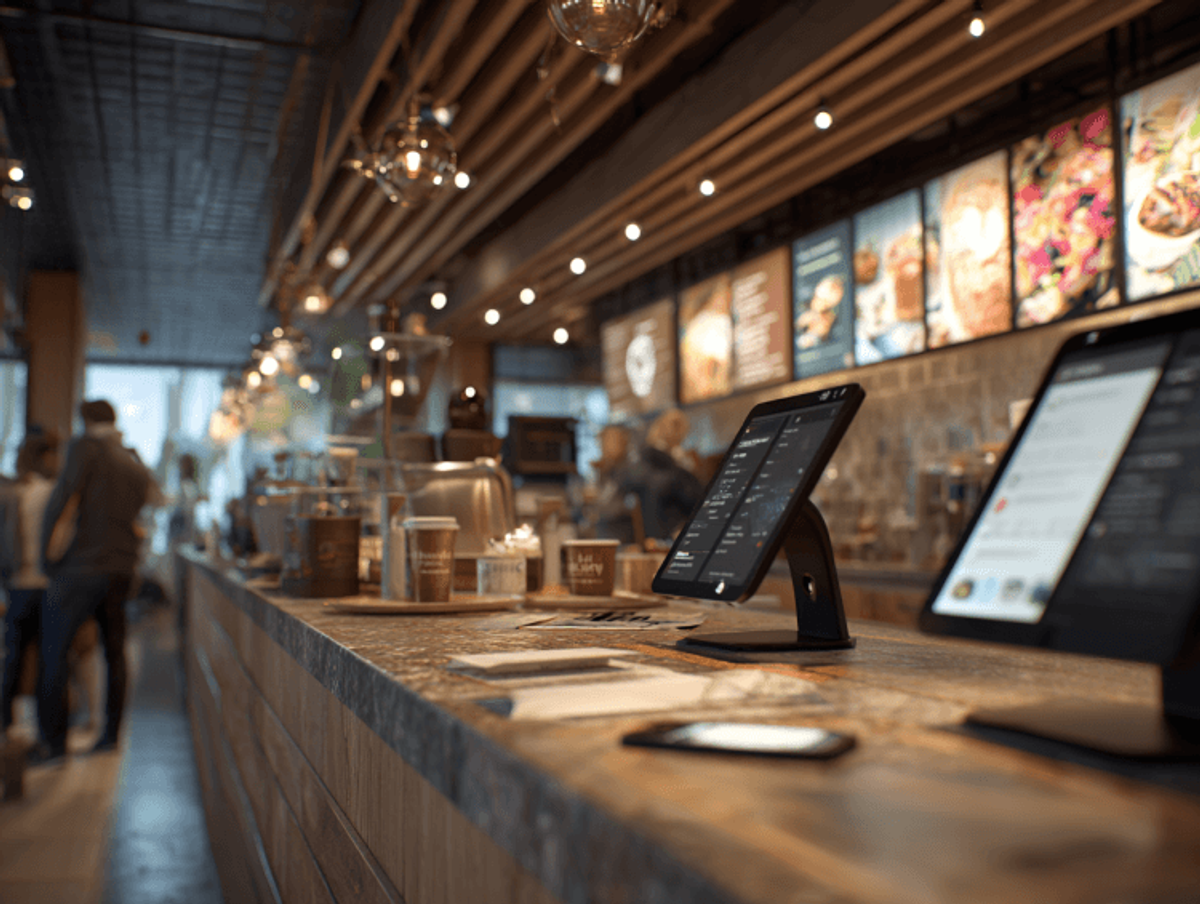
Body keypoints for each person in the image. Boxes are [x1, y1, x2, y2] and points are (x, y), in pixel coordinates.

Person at [29, 400, 152, 764]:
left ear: (85, 420)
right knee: (115, 652)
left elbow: (63, 497)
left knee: (54, 650)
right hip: (122, 569)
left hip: (82, 567)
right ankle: (111, 737)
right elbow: (140, 508)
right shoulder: (133, 460)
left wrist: (45, 559)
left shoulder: (85, 448)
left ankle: (53, 743)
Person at [0, 430, 60, 740]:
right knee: (44, 660)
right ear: (44, 457)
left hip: (20, 584)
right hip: (41, 584)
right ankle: (41, 731)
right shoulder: (46, 492)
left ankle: (9, 724)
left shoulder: (14, 491)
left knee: (16, 656)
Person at [623, 409, 705, 544]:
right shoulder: (668, 463)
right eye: (676, 426)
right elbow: (695, 498)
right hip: (668, 534)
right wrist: (684, 466)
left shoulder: (645, 459)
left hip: (660, 533)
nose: (680, 433)